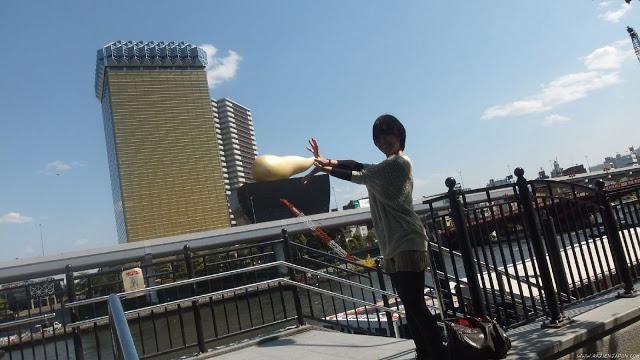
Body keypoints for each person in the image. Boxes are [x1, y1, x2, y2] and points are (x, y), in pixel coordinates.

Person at [303, 114, 447, 360]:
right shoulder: (384, 169)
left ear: (399, 134)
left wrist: (324, 165)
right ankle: (424, 353)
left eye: (386, 136)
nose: (382, 142)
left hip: (407, 240)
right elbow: (359, 168)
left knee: (415, 306)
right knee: (411, 308)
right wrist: (324, 163)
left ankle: (440, 354)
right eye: (378, 138)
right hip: (392, 243)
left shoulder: (399, 164)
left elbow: (359, 171)